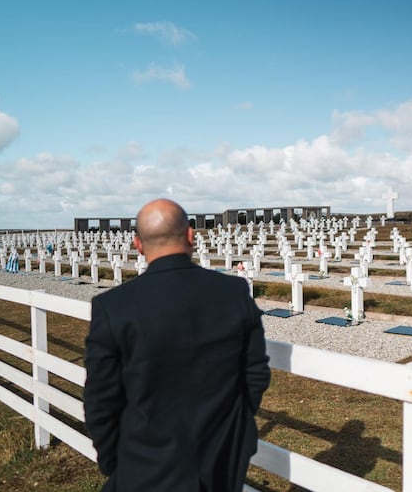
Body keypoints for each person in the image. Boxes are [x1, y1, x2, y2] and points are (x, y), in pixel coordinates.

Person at [84, 198, 271, 492]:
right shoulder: (233, 292)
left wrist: (116, 464)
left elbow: (101, 401)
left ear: (138, 244)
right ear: (190, 235)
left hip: (144, 462)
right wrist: (234, 430)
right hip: (222, 456)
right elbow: (256, 373)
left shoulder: (113, 307)